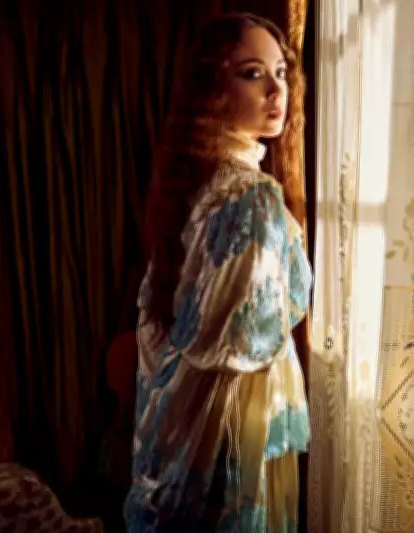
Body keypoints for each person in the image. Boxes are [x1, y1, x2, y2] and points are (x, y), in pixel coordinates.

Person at [123, 13, 312, 532]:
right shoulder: (251, 196)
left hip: (192, 420)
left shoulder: (202, 181)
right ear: (213, 88)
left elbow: (164, 331)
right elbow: (235, 350)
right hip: (231, 428)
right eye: (252, 73)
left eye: (281, 72)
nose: (276, 89)